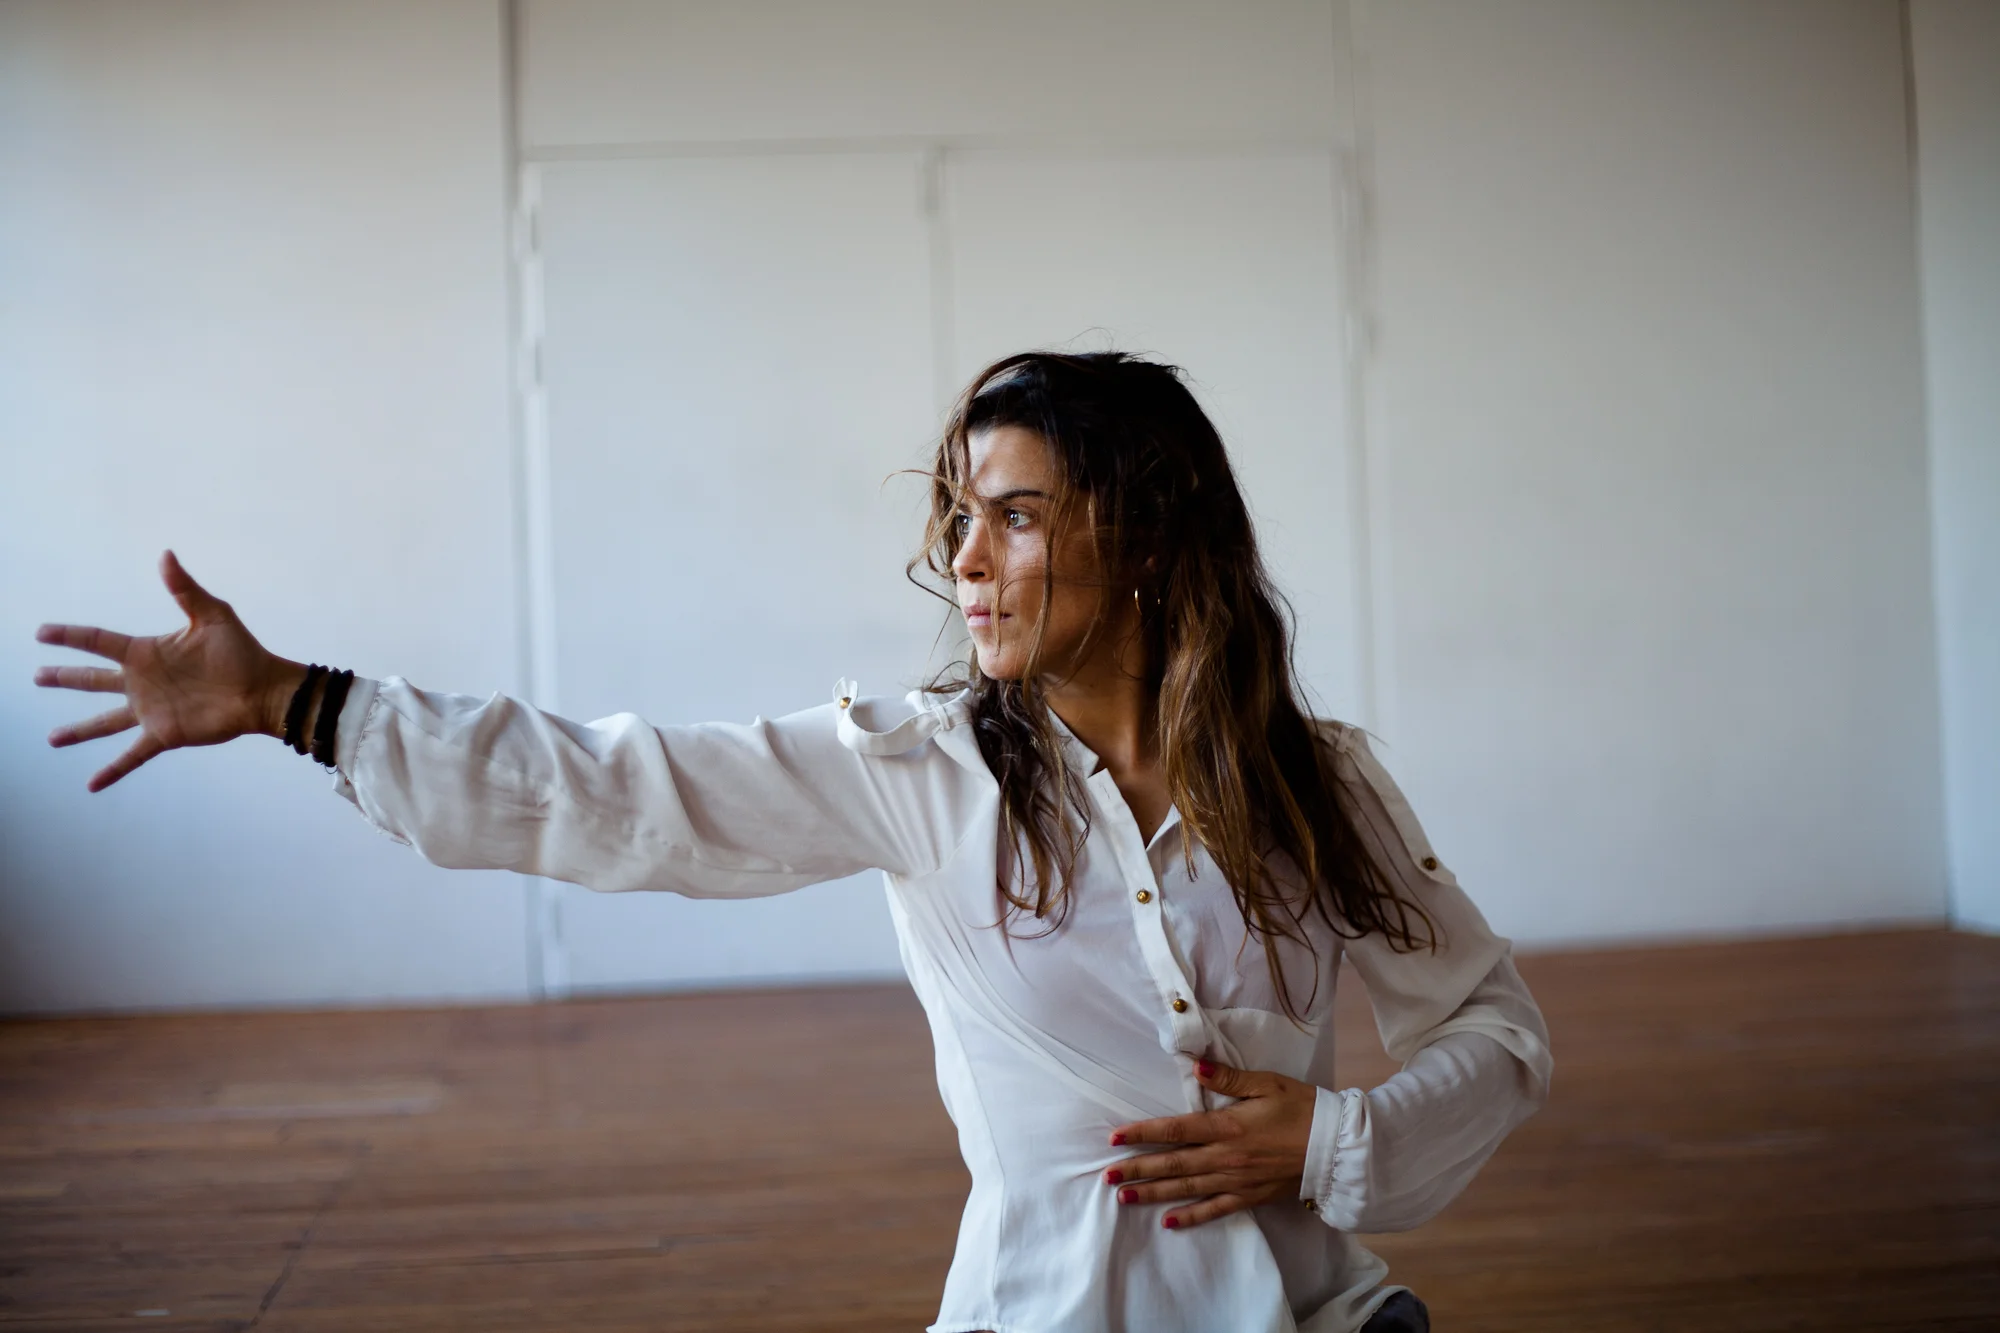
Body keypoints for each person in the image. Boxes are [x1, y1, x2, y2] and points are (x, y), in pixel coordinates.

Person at [36, 351, 1549, 1333]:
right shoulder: (915, 770)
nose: (966, 558)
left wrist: (1331, 1140)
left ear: (1146, 537)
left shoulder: (1314, 784)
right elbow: (613, 788)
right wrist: (294, 702)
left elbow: (1493, 1027)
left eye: (1018, 517)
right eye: (961, 514)